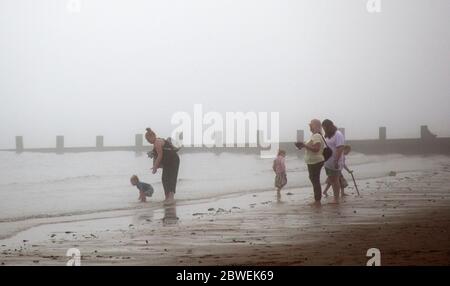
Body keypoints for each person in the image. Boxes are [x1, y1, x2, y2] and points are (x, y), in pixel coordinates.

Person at [145, 128, 180, 204]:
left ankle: (171, 198)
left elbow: (160, 155)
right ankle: (166, 197)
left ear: (153, 136)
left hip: (173, 160)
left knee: (172, 178)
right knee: (164, 178)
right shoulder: (155, 145)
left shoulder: (158, 142)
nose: (148, 141)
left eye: (148, 140)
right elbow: (155, 156)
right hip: (167, 162)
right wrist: (155, 166)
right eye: (147, 140)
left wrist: (155, 167)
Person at [296, 119, 325, 206]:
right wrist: (303, 146)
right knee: (314, 179)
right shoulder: (315, 135)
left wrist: (305, 145)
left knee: (315, 180)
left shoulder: (316, 135)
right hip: (313, 161)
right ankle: (317, 199)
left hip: (315, 161)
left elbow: (316, 149)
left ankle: (317, 201)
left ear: (315, 126)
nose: (309, 126)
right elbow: (313, 148)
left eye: (311, 125)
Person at [322, 119, 345, 203]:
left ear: (329, 126)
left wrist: (336, 160)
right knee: (332, 180)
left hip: (335, 161)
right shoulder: (328, 135)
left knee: (335, 180)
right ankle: (336, 198)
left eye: (324, 127)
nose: (324, 129)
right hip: (327, 162)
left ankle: (336, 199)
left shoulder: (338, 134)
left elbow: (340, 148)